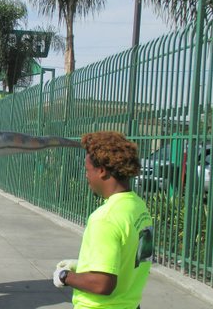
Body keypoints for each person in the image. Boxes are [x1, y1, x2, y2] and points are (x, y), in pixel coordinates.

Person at [53, 131, 154, 309]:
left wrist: (65, 276)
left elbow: (102, 284)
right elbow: (132, 259)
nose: (86, 176)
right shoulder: (139, 208)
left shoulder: (105, 219)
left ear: (101, 171)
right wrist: (84, 266)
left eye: (87, 170)